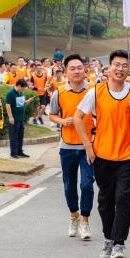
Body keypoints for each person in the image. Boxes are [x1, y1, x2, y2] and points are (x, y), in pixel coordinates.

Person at [74, 50, 130, 258]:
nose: (120, 69)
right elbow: (78, 117)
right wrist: (87, 145)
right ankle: (108, 238)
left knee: (123, 199)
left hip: (127, 156)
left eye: (125, 65)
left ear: (129, 69)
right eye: (116, 65)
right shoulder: (96, 92)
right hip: (102, 155)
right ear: (108, 68)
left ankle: (119, 244)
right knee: (105, 201)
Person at [48, 53, 95, 241]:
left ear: (86, 70)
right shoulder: (59, 93)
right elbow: (51, 114)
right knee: (69, 186)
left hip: (88, 145)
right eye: (72, 69)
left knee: (87, 184)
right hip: (67, 146)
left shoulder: (94, 91)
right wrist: (62, 120)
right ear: (65, 72)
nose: (76, 71)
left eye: (79, 68)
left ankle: (85, 221)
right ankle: (73, 216)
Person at [6, 79, 35, 158]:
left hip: (21, 118)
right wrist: (10, 117)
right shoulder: (11, 93)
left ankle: (19, 151)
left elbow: (21, 103)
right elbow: (8, 105)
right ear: (18, 85)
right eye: (22, 88)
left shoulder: (21, 93)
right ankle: (13, 153)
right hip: (14, 118)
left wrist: (28, 101)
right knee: (14, 136)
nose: (23, 89)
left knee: (20, 136)